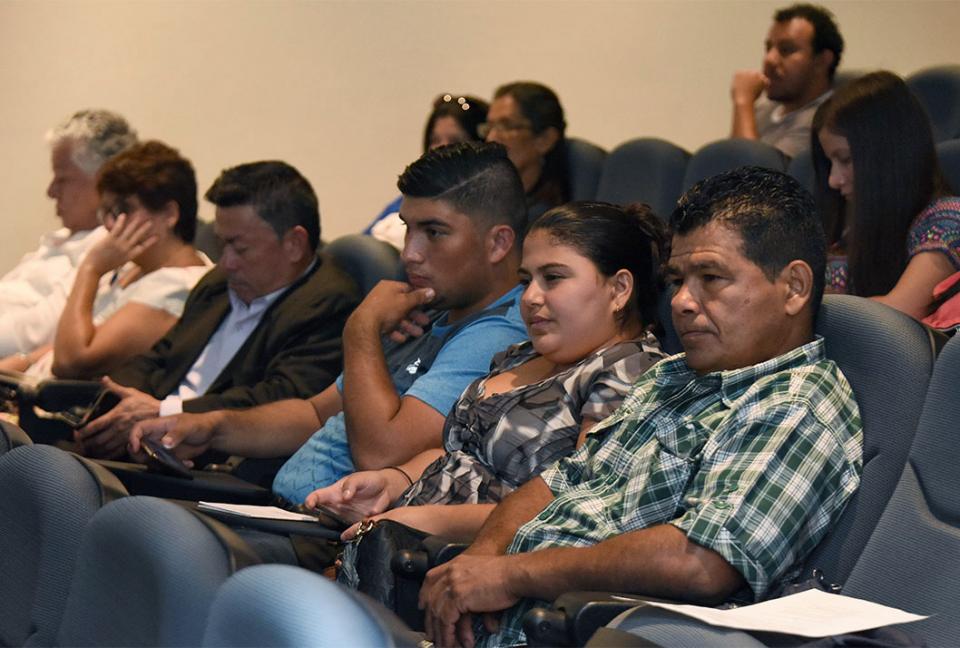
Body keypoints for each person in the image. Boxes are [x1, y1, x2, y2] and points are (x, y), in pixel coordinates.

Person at [418, 166, 863, 648]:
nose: (683, 302)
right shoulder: (673, 376)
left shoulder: (795, 402)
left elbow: (702, 562)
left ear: (794, 288)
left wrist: (509, 577)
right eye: (677, 279)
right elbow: (559, 481)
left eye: (711, 278)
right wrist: (478, 562)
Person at [129, 142, 530, 502]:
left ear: (498, 243)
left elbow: (381, 453)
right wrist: (212, 427)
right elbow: (314, 414)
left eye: (435, 232)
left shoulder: (499, 336)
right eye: (409, 229)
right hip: (277, 511)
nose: (410, 253)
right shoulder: (425, 312)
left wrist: (361, 331)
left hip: (327, 542)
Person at [309, 202, 668, 549]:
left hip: (473, 571)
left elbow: (579, 509)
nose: (530, 297)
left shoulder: (630, 368)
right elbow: (457, 456)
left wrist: (428, 521)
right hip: (405, 546)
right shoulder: (521, 354)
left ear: (619, 289)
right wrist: (390, 483)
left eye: (553, 278)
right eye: (527, 280)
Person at [73, 160, 361, 459]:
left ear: (294, 244)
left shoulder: (331, 304)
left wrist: (165, 411)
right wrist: (115, 403)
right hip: (146, 442)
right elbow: (160, 358)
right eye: (223, 245)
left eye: (240, 248)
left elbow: (279, 398)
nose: (226, 262)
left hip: (216, 464)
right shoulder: (219, 283)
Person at [0, 141, 211, 378]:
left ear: (169, 214)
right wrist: (20, 363)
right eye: (108, 212)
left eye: (124, 210)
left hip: (58, 407)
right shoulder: (132, 265)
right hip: (25, 388)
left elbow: (72, 362)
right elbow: (77, 335)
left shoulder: (177, 286)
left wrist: (90, 269)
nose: (111, 225)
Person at [813, 70, 960, 319]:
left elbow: (897, 313)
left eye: (846, 160)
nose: (833, 180)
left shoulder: (947, 220)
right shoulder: (849, 230)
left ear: (887, 157)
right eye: (830, 163)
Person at [0, 109, 137, 358]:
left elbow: (35, 334)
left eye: (62, 179)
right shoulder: (62, 238)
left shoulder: (110, 247)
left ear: (106, 181)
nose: (51, 192)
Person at [365, 93, 489, 249]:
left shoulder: (488, 208)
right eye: (435, 140)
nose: (440, 148)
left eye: (455, 141)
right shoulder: (409, 199)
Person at [730, 4, 843, 158]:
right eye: (768, 48)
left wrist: (743, 102)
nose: (769, 59)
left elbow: (751, 177)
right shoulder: (762, 110)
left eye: (786, 49)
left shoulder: (825, 121)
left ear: (822, 61)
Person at [482, 81, 568, 220]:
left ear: (545, 139)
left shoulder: (549, 220)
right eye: (489, 127)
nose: (491, 138)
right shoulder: (483, 202)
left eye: (506, 126)